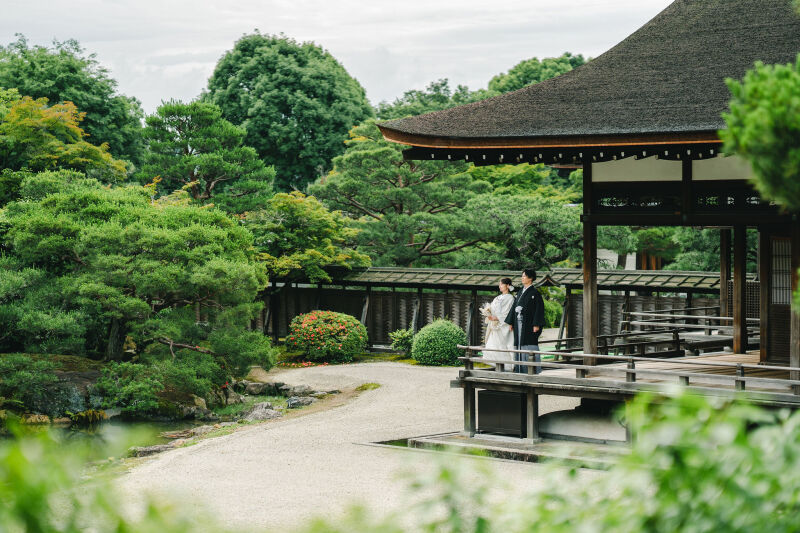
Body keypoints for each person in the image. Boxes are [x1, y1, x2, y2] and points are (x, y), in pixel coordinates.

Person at [504, 267, 545, 374]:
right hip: (518, 323)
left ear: (530, 278)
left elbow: (539, 309)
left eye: (524, 276)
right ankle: (519, 369)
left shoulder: (535, 293)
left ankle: (531, 369)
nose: (522, 278)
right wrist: (511, 322)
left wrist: (536, 324)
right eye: (522, 276)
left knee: (528, 343)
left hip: (529, 324)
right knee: (518, 343)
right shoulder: (520, 291)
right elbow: (514, 306)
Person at [482, 277, 516, 371]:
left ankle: (508, 366)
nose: (499, 286)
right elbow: (493, 309)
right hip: (495, 325)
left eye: (501, 284)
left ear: (508, 286)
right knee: (494, 345)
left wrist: (496, 318)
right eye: (499, 284)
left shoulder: (510, 298)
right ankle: (497, 365)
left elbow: (508, 313)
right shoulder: (497, 298)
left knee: (505, 345)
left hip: (504, 326)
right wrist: (488, 312)